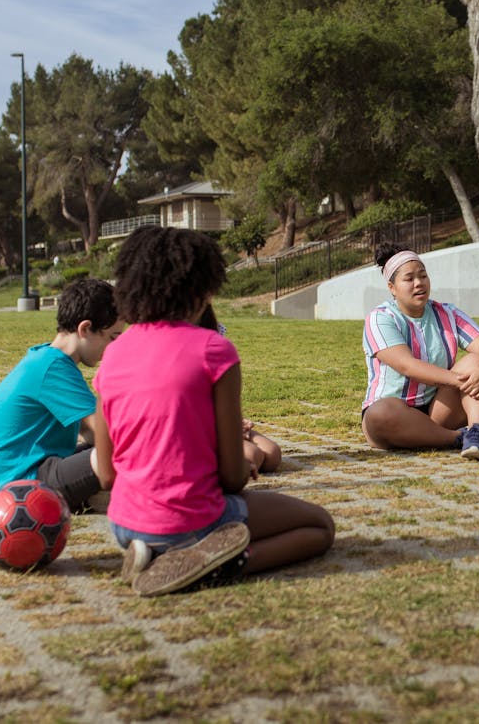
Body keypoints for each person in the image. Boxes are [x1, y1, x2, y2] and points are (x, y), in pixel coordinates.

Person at [93, 225, 334, 597]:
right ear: (203, 289)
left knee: (172, 522)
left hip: (124, 523)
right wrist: (240, 467)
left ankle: (155, 553)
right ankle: (212, 566)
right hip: (192, 518)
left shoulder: (113, 355)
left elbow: (107, 475)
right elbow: (232, 479)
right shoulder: (214, 349)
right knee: (320, 527)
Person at [0, 278, 125, 510]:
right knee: (119, 451)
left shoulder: (47, 359)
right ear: (85, 329)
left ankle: (96, 497)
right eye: (113, 338)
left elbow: (87, 430)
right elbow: (105, 432)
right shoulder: (54, 367)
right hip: (19, 487)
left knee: (109, 451)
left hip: (24, 474)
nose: (113, 349)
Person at [361, 243, 479, 460]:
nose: (419, 283)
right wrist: (465, 382)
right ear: (392, 287)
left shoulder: (447, 312)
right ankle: (457, 437)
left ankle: (476, 431)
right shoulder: (380, 318)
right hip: (395, 414)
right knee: (380, 414)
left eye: (423, 276)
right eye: (409, 279)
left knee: (476, 361)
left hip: (439, 411)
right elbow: (408, 366)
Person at [197, 304, 282, 475]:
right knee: (253, 455)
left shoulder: (213, 343)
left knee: (272, 454)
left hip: (221, 421)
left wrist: (236, 424)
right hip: (201, 427)